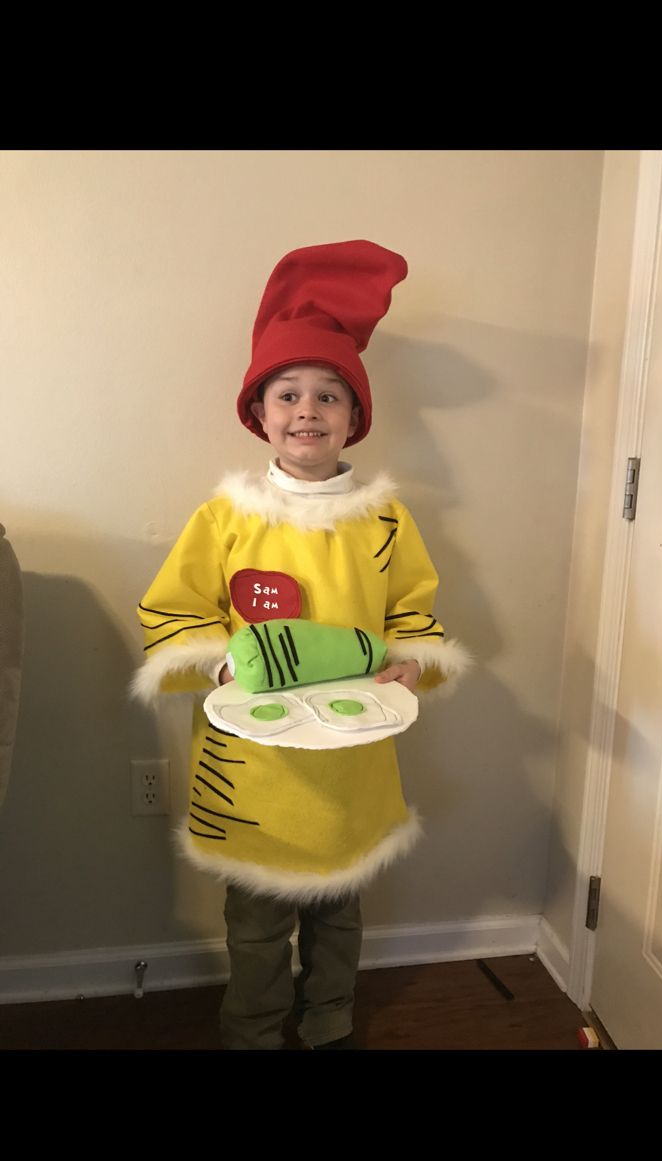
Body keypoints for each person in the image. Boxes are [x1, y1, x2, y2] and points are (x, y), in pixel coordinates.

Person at [131, 239, 472, 1050]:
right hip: (253, 771)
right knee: (253, 926)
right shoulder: (225, 518)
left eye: (328, 395)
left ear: (355, 416)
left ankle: (329, 1024)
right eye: (288, 394)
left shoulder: (385, 521)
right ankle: (250, 1031)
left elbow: (415, 616)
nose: (308, 411)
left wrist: (411, 662)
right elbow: (171, 616)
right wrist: (221, 659)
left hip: (350, 758)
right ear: (259, 412)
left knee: (338, 912)